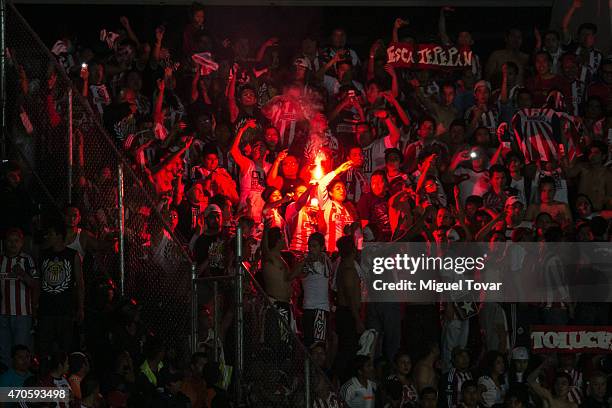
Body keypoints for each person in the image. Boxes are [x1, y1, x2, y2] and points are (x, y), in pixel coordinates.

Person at [38, 219, 84, 356]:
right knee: (44, 350)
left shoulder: (72, 255)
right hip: (46, 309)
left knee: (65, 348)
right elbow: (39, 280)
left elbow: (80, 283)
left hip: (65, 310)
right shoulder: (43, 254)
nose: (48, 237)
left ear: (59, 236)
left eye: (51, 234)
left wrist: (80, 308)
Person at [0, 228, 38, 367]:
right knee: (4, 351)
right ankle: (7, 383)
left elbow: (35, 284)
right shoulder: (1, 259)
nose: (12, 244)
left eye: (16, 241)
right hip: (3, 314)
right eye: (9, 241)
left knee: (21, 350)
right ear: (5, 242)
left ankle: (22, 382)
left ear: (22, 243)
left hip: (22, 314)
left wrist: (23, 274)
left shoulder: (26, 260)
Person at [334, 236, 363, 383]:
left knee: (346, 351)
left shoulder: (341, 266)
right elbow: (351, 297)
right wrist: (357, 319)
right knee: (348, 352)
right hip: (348, 314)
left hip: (344, 312)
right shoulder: (348, 269)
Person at [300, 232, 332, 347]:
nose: (311, 249)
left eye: (314, 246)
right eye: (310, 246)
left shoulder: (325, 261)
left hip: (320, 308)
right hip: (308, 307)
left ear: (322, 247)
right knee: (309, 344)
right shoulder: (304, 261)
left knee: (318, 346)